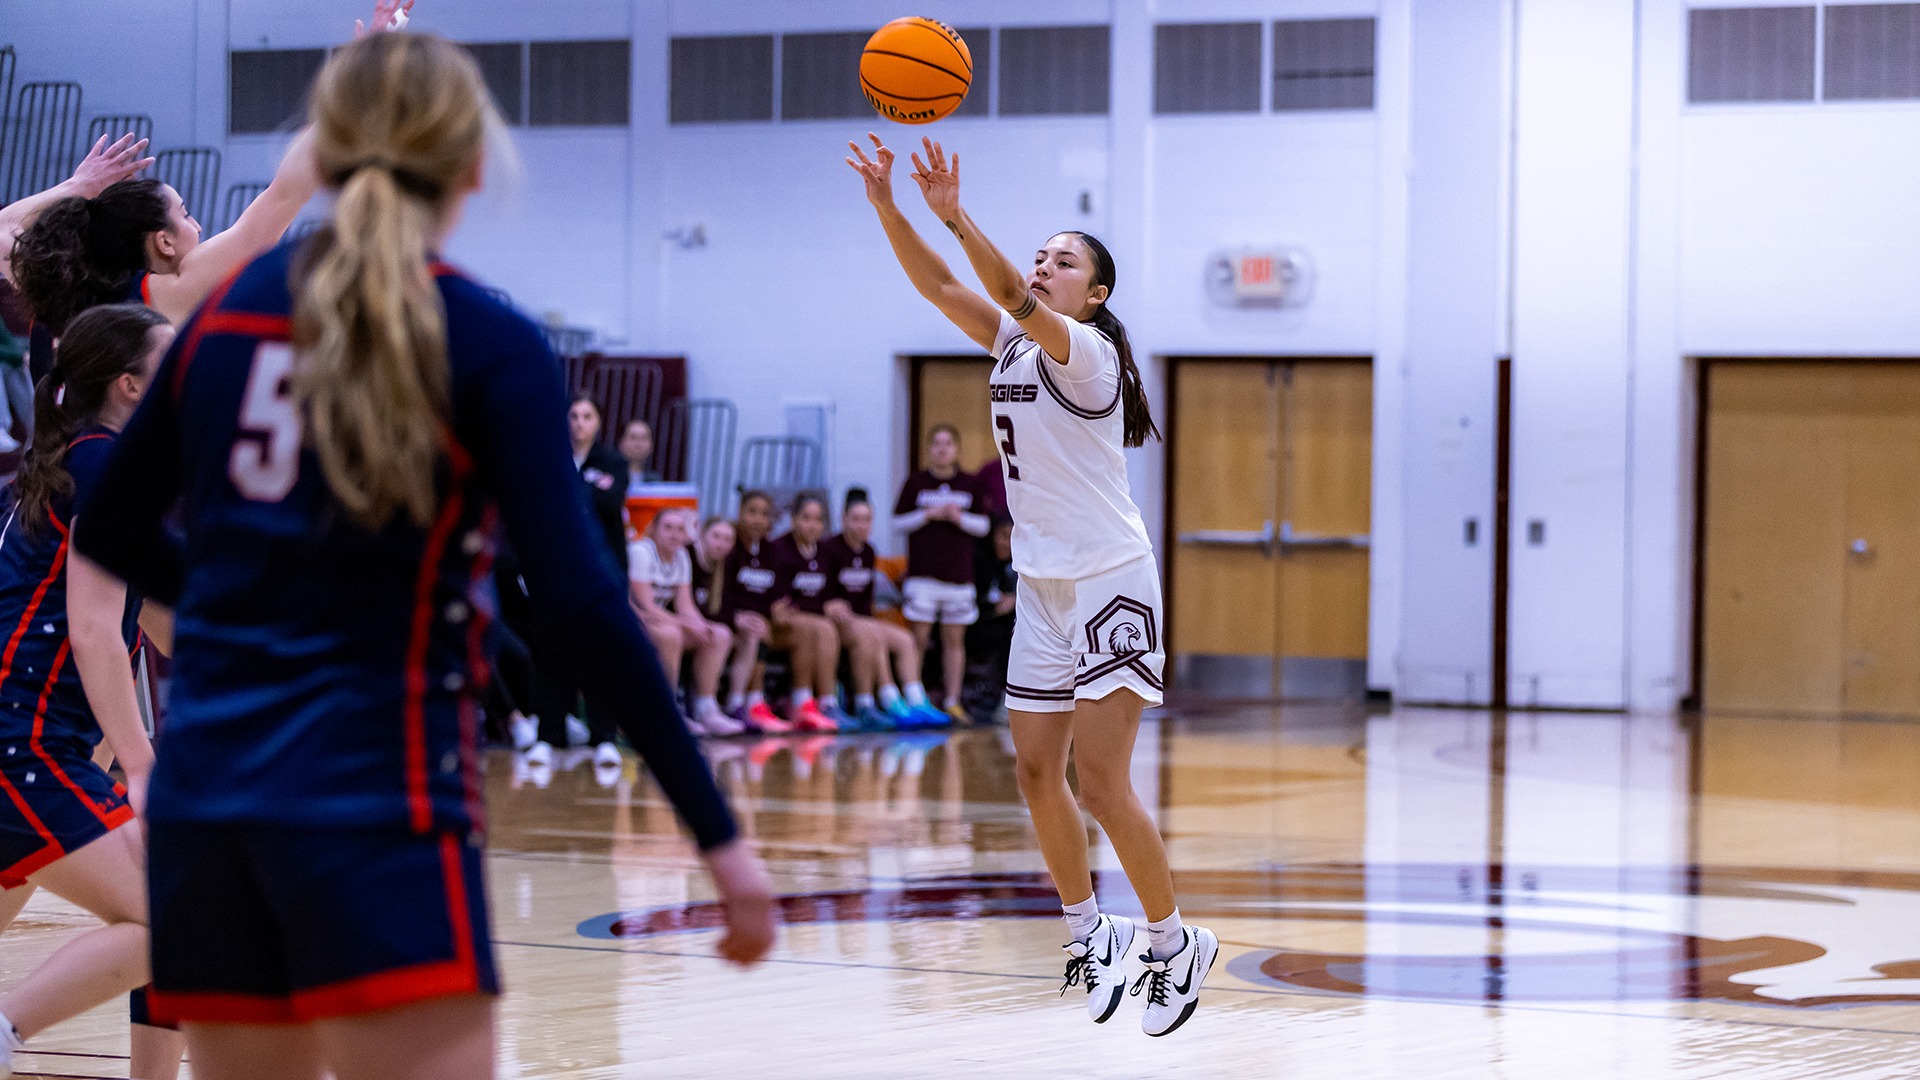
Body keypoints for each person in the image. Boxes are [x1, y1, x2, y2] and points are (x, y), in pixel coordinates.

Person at [70, 32, 773, 1078]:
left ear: (328, 153)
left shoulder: (223, 317)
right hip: (375, 799)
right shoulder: (485, 335)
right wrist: (716, 831)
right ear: (474, 166)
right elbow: (582, 600)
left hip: (211, 807)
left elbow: (111, 531)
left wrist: (237, 607)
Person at [849, 131, 1216, 1036]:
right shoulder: (1010, 344)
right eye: (1042, 255)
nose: (1045, 267)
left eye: (1063, 261)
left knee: (1101, 784)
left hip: (1110, 583)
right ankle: (1091, 933)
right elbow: (942, 287)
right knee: (1031, 772)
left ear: (1092, 293)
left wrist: (957, 213)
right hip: (1044, 586)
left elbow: (1005, 289)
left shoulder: (1084, 353)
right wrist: (890, 208)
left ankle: (1174, 943)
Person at [0, 305, 183, 1078]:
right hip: (25, 742)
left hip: (32, 740)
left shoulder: (91, 460)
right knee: (173, 919)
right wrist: (143, 765)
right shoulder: (106, 466)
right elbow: (93, 629)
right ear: (132, 383)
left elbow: (174, 627)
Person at [526, 391, 630, 771]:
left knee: (602, 656)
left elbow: (610, 501)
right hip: (556, 570)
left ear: (598, 422)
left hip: (604, 572)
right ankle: (547, 735)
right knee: (553, 655)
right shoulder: (549, 457)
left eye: (587, 416)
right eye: (573, 416)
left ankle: (604, 737)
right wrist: (584, 491)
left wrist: (569, 492)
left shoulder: (613, 461)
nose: (579, 423)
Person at [822, 490, 946, 731]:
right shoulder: (830, 549)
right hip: (836, 622)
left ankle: (916, 699)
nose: (861, 525)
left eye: (867, 519)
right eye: (856, 519)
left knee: (905, 639)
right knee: (873, 635)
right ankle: (889, 700)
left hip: (862, 619)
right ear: (844, 520)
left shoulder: (868, 551)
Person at [893, 425, 988, 724]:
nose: (942, 449)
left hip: (959, 578)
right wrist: (928, 515)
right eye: (936, 443)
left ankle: (952, 701)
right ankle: (914, 700)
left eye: (948, 443)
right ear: (929, 448)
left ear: (957, 449)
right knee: (917, 639)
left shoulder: (970, 484)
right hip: (922, 577)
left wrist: (958, 518)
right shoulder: (915, 483)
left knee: (953, 641)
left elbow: (984, 527)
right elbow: (897, 523)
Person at [629, 508, 741, 737]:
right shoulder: (641, 551)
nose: (674, 534)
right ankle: (668, 709)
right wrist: (686, 624)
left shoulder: (681, 556)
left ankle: (706, 708)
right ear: (654, 530)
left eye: (680, 529)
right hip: (633, 620)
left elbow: (685, 605)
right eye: (668, 528)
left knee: (719, 634)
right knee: (671, 634)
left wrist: (701, 625)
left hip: (658, 620)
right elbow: (645, 606)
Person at [764, 494, 847, 733]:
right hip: (777, 624)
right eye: (806, 518)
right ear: (793, 520)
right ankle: (804, 701)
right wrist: (820, 608)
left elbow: (826, 596)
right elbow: (783, 605)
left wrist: (830, 606)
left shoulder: (825, 553)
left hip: (806, 621)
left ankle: (826, 703)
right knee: (820, 627)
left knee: (824, 628)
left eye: (818, 519)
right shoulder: (779, 549)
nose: (812, 525)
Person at [722, 491, 787, 733]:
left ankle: (755, 702)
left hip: (758, 621)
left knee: (763, 629)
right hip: (729, 618)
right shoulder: (730, 546)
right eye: (752, 512)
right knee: (755, 632)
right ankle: (748, 701)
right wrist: (735, 617)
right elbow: (720, 592)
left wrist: (776, 611)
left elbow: (775, 595)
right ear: (740, 513)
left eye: (764, 514)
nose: (758, 519)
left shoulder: (772, 552)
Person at [964, 515, 1018, 723]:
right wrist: (995, 605)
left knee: (1017, 632)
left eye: (1012, 537)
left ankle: (1010, 697)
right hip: (976, 624)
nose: (1007, 542)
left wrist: (1013, 601)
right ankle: (1006, 698)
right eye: (1003, 536)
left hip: (1004, 624)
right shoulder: (978, 560)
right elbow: (974, 600)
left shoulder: (1018, 564)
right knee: (1010, 635)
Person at [619, 418, 661, 492]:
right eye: (633, 437)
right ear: (621, 442)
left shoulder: (655, 480)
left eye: (644, 438)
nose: (638, 444)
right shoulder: (609, 476)